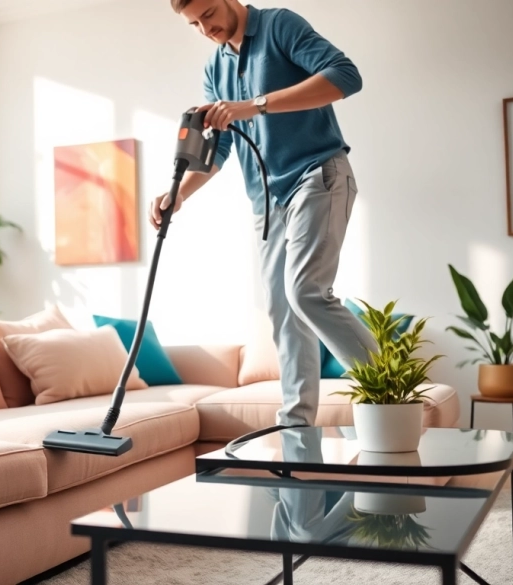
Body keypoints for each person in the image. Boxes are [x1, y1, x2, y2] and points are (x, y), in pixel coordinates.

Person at [149, 0, 377, 427]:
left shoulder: (279, 26)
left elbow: (345, 76)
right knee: (283, 312)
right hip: (268, 203)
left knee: (305, 292)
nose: (205, 28)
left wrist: (254, 104)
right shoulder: (215, 69)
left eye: (209, 14)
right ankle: (296, 429)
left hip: (317, 174)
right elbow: (223, 146)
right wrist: (179, 194)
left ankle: (389, 389)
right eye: (194, 24)